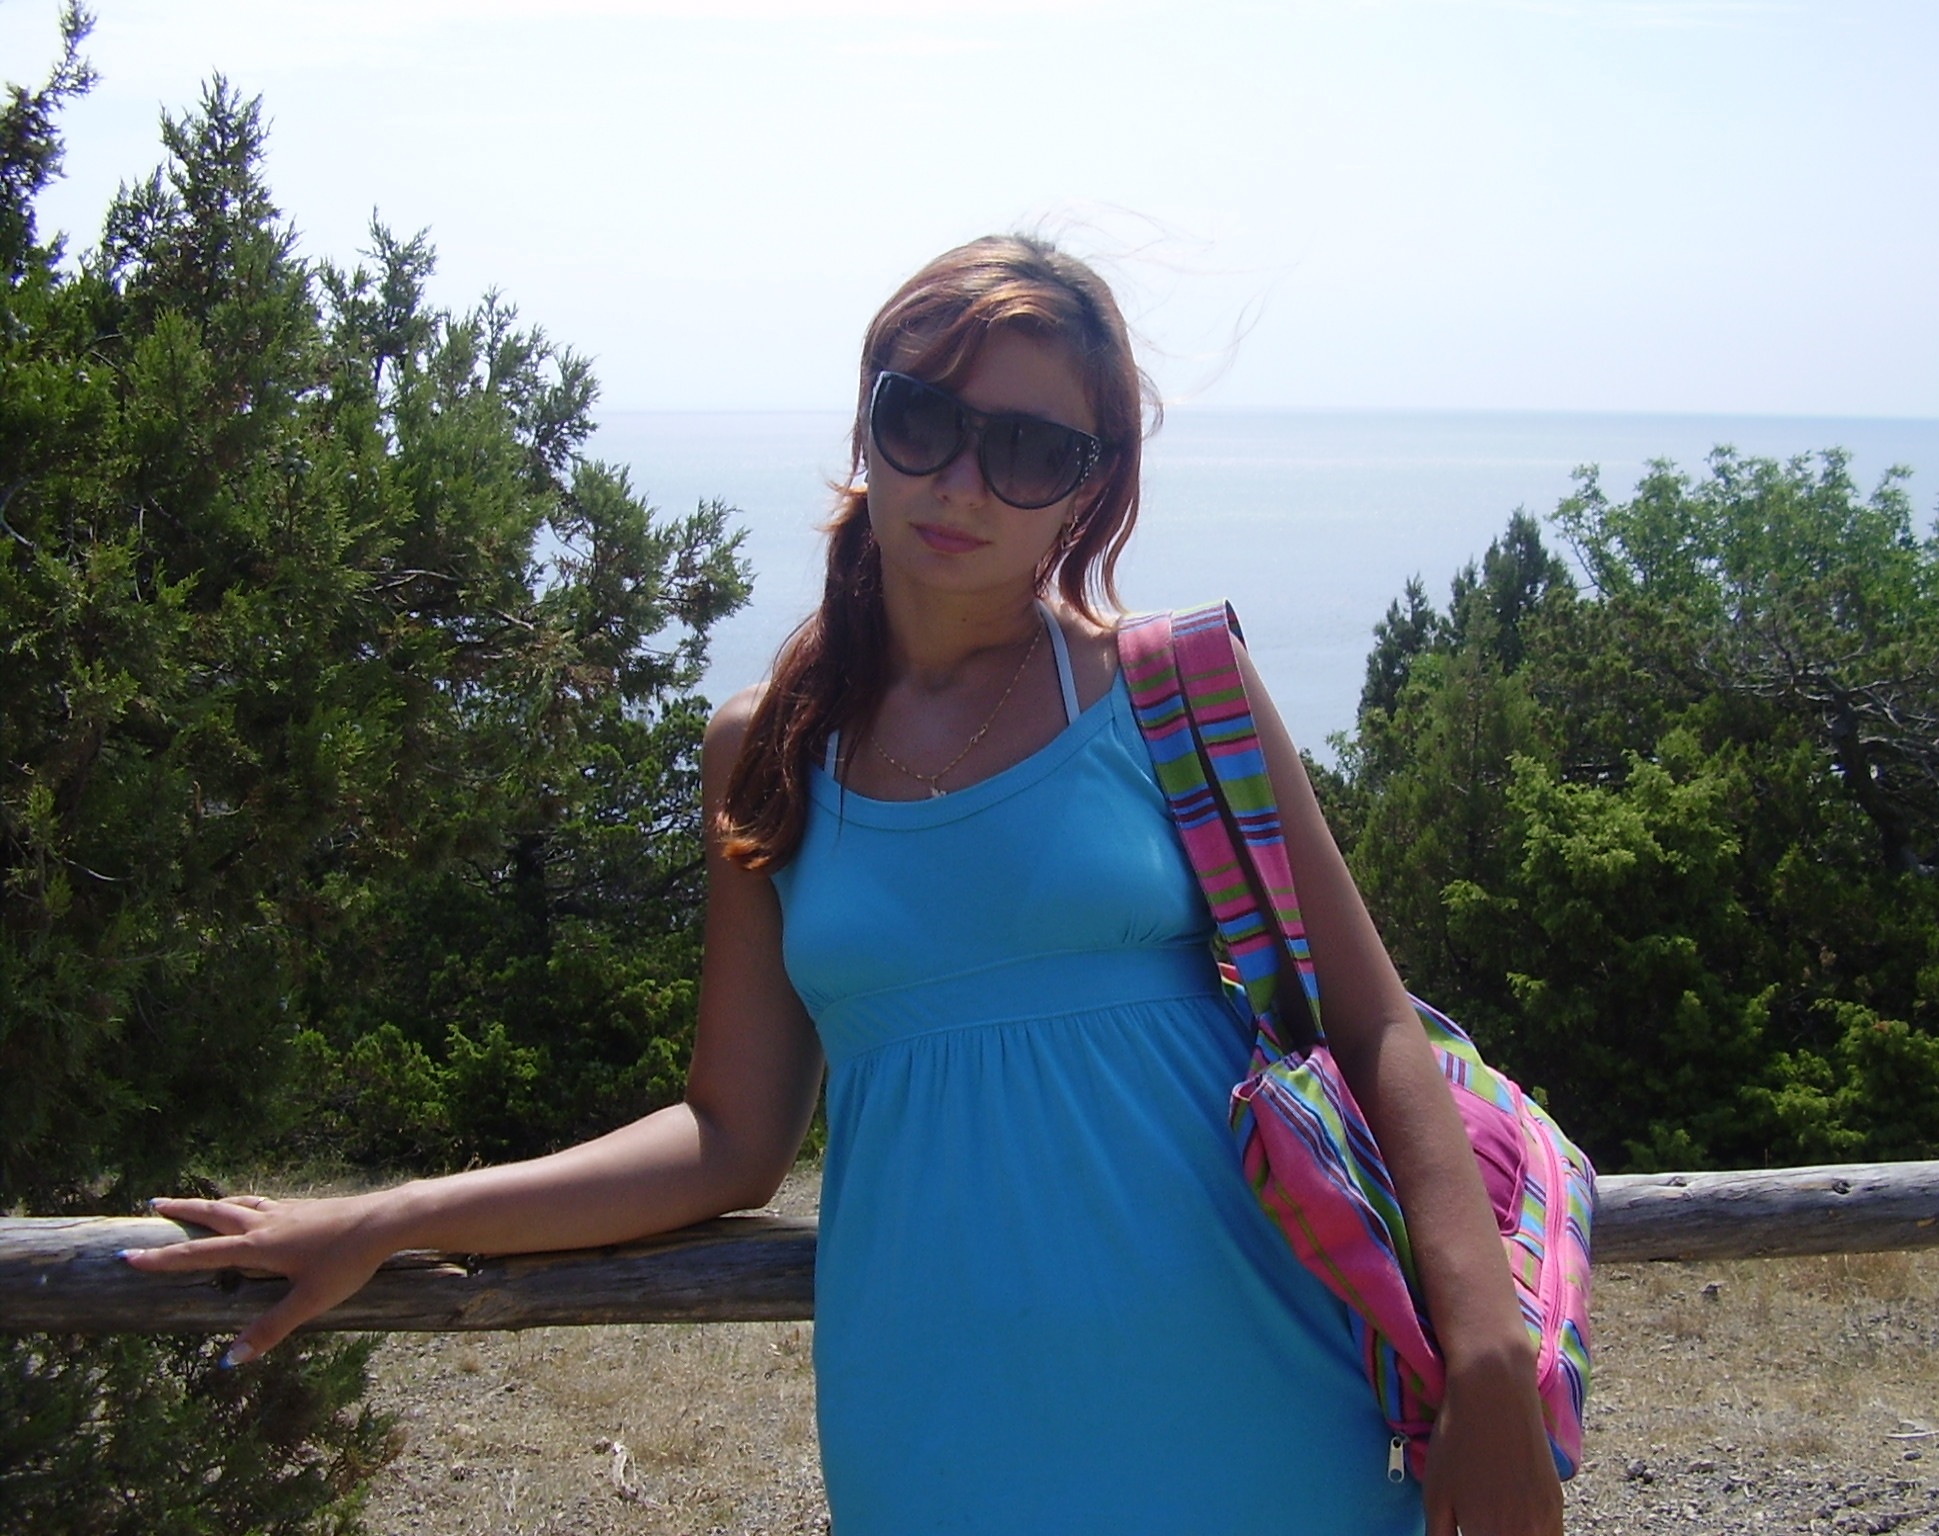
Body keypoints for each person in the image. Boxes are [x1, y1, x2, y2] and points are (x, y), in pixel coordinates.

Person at [129, 236, 1565, 1536]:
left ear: (1091, 487)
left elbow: (1374, 1025)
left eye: (1030, 449)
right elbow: (728, 1138)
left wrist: (1489, 1354)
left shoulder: (1177, 691)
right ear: (867, 425)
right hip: (939, 1430)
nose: (962, 483)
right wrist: (395, 1213)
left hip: (1267, 1409)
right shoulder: (767, 751)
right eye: (923, 419)